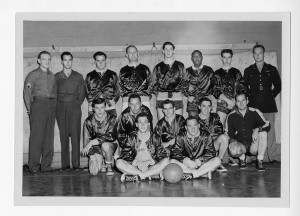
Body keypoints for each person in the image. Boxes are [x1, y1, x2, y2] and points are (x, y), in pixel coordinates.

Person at [243, 45, 281, 163]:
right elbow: (244, 87)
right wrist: (250, 97)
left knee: (270, 132)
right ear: (253, 54)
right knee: (255, 131)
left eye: (260, 53)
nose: (258, 55)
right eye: (256, 53)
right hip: (254, 107)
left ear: (264, 54)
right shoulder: (248, 70)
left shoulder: (272, 69)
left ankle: (273, 157)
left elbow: (278, 85)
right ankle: (256, 157)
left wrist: (270, 96)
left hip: (269, 106)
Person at [23, 51, 56, 175]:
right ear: (38, 60)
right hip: (38, 105)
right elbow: (27, 93)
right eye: (44, 59)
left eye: (48, 59)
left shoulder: (52, 76)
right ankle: (34, 166)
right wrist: (29, 109)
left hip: (50, 106)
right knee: (37, 137)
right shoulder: (33, 75)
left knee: (48, 137)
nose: (46, 62)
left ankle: (46, 165)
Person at [116, 113, 169, 182]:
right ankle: (148, 175)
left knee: (166, 161)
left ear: (149, 124)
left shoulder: (155, 137)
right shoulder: (131, 137)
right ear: (136, 124)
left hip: (151, 166)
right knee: (118, 162)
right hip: (135, 167)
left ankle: (139, 176)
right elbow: (125, 155)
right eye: (140, 122)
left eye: (145, 122)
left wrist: (150, 162)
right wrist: (136, 163)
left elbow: (162, 155)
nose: (143, 125)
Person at [55, 51, 85, 171]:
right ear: (62, 61)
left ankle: (76, 165)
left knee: (75, 135)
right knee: (64, 136)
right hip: (61, 107)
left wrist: (76, 104)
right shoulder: (57, 76)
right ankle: (65, 165)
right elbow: (54, 93)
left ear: (72, 61)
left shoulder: (78, 76)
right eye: (65, 60)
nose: (67, 62)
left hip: (74, 106)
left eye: (69, 60)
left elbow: (82, 93)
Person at [226, 92, 270, 171]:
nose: (241, 103)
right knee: (232, 149)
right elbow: (228, 134)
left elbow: (267, 124)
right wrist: (233, 142)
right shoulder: (231, 116)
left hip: (254, 145)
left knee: (263, 133)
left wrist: (257, 129)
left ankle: (259, 161)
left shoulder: (254, 112)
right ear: (236, 103)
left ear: (247, 101)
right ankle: (242, 158)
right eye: (238, 101)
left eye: (243, 100)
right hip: (241, 146)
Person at [150, 41, 187, 120]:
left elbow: (185, 81)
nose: (168, 51)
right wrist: (160, 94)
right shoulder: (158, 67)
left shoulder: (180, 66)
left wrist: (180, 93)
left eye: (170, 49)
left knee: (178, 122)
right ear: (163, 51)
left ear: (174, 51)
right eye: (166, 49)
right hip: (161, 97)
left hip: (177, 97)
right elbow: (153, 83)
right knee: (162, 124)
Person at [81, 98, 117, 176]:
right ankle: (101, 163)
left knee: (105, 145)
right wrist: (92, 156)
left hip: (110, 145)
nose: (100, 110)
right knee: (94, 170)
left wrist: (92, 142)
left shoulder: (112, 118)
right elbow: (86, 141)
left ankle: (108, 165)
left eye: (102, 107)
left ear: (105, 107)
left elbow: (110, 136)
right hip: (96, 148)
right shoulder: (88, 121)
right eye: (97, 108)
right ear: (93, 109)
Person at [214, 49, 245, 125]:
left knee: (237, 128)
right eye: (224, 57)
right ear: (221, 58)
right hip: (222, 103)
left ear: (232, 58)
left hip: (235, 103)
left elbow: (241, 89)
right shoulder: (217, 73)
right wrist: (227, 101)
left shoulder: (236, 72)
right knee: (219, 127)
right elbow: (215, 90)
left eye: (229, 57)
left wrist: (234, 101)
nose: (227, 60)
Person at [197, 97, 229, 172]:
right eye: (204, 106)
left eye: (208, 106)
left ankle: (218, 162)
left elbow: (219, 131)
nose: (206, 108)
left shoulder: (215, 117)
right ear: (199, 107)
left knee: (224, 137)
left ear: (211, 107)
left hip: (213, 144)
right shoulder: (194, 120)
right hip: (200, 148)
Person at [85, 51, 120, 117]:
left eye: (103, 60)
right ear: (95, 62)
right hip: (94, 107)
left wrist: (113, 101)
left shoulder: (112, 75)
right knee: (94, 126)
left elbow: (118, 90)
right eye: (98, 61)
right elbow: (87, 91)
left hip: (109, 106)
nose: (101, 63)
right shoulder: (89, 76)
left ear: (105, 61)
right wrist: (91, 102)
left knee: (111, 126)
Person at [119, 45, 152, 110]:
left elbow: (150, 84)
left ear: (138, 53)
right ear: (126, 55)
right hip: (127, 101)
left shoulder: (145, 68)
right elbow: (120, 86)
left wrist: (145, 95)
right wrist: (127, 96)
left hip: (144, 100)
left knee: (145, 119)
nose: (133, 55)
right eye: (130, 53)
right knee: (127, 119)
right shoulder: (123, 70)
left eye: (134, 52)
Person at [185, 50, 215, 117]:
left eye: (198, 56)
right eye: (194, 56)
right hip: (193, 102)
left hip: (205, 101)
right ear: (191, 58)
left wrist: (208, 95)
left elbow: (214, 84)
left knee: (206, 122)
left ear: (202, 57)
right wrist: (189, 95)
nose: (197, 58)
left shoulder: (208, 70)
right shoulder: (187, 71)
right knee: (193, 122)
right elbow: (183, 85)